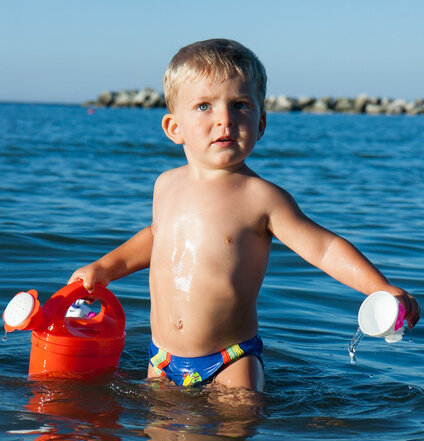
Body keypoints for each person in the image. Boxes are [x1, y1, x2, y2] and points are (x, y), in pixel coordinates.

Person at [68, 39, 420, 391]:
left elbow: (323, 248)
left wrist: (380, 287)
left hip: (230, 359)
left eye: (240, 106)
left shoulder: (262, 197)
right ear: (174, 128)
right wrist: (106, 267)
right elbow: (158, 236)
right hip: (162, 358)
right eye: (204, 106)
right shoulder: (166, 184)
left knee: (233, 429)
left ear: (261, 123)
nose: (224, 119)